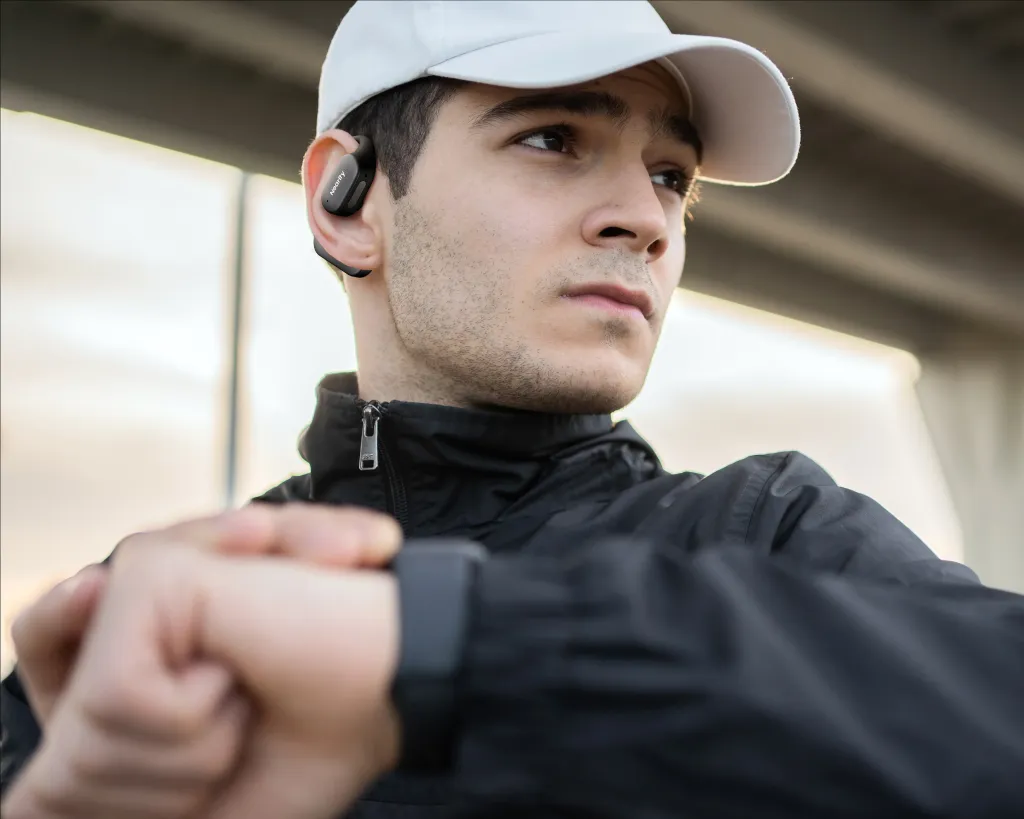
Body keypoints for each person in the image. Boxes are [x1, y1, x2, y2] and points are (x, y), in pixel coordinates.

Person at [2, 1, 1023, 817]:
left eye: (671, 176)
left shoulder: (766, 533)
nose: (647, 218)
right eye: (552, 138)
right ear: (345, 202)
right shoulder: (155, 611)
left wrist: (444, 647)